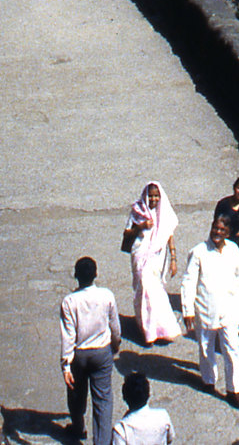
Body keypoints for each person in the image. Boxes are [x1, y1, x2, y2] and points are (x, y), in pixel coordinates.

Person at [179, 216, 239, 406]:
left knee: (232, 348)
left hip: (229, 309)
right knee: (205, 346)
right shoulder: (198, 252)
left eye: (222, 230)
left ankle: (234, 390)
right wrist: (187, 310)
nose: (218, 232)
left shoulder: (233, 250)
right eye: (215, 228)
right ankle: (208, 380)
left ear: (228, 233)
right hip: (206, 308)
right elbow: (189, 281)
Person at [60, 255, 121, 444]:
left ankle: (78, 426)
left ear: (76, 276)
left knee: (76, 393)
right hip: (102, 353)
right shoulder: (106, 295)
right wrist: (115, 344)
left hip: (79, 354)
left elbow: (68, 336)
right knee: (102, 400)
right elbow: (115, 327)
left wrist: (66, 366)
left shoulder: (69, 301)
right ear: (96, 274)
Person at [125, 181, 182, 345]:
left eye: (156, 196)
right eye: (151, 196)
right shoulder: (138, 211)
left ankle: (162, 327)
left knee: (155, 291)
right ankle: (147, 329)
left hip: (157, 257)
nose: (154, 199)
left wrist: (173, 259)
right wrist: (140, 226)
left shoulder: (164, 213)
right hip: (140, 254)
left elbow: (169, 236)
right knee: (144, 289)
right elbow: (127, 232)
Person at [111, 371, 175, 445]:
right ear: (149, 394)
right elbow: (170, 438)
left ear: (124, 397)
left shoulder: (121, 430)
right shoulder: (163, 416)